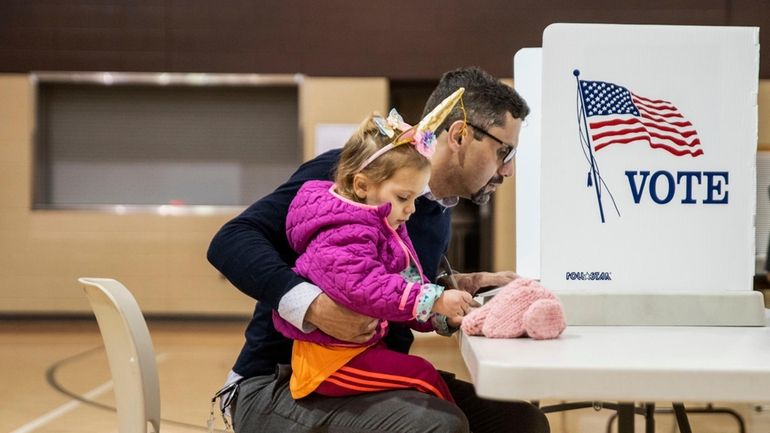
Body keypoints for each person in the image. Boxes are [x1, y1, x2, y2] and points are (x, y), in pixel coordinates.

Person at [208, 66, 549, 433]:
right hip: (279, 380)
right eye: (504, 150)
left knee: (521, 422)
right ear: (460, 134)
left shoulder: (433, 211)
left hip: (366, 371)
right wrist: (313, 307)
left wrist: (452, 286)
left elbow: (377, 275)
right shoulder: (352, 175)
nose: (509, 169)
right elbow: (231, 240)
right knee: (437, 426)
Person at [276, 89, 475, 403]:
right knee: (425, 378)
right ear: (362, 186)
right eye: (403, 197)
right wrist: (434, 299)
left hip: (356, 351)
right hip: (330, 362)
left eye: (415, 197)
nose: (411, 209)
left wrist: (437, 316)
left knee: (427, 377)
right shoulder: (340, 230)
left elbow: (402, 286)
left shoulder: (385, 223)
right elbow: (367, 287)